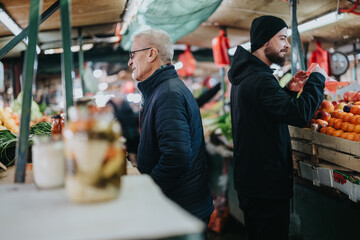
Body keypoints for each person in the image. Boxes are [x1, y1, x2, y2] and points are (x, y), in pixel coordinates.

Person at [228, 15, 327, 240]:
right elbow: (299, 115)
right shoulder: (261, 79)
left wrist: (290, 90)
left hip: (253, 181)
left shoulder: (246, 75)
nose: (287, 45)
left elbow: (266, 110)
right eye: (282, 38)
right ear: (265, 41)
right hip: (266, 185)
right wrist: (317, 80)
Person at [128, 29, 214, 223]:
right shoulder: (161, 89)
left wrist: (150, 189)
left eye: (133, 54)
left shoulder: (168, 94)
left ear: (151, 54)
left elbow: (176, 157)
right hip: (181, 205)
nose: (130, 62)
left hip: (182, 209)